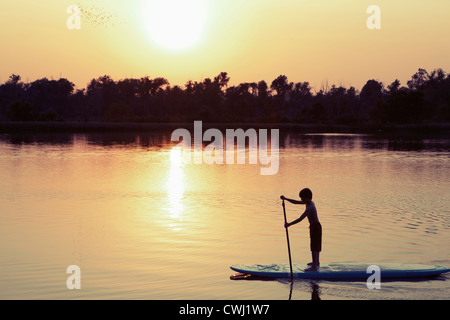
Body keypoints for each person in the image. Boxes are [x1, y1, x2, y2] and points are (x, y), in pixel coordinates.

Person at [281, 188, 322, 272]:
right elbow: (296, 202)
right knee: (314, 245)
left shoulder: (310, 207)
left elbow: (300, 219)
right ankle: (316, 262)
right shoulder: (308, 202)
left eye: (302, 198)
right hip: (314, 226)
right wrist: (286, 199)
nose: (301, 200)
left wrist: (289, 224)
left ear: (307, 198)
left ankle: (314, 266)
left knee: (314, 247)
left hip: (316, 227)